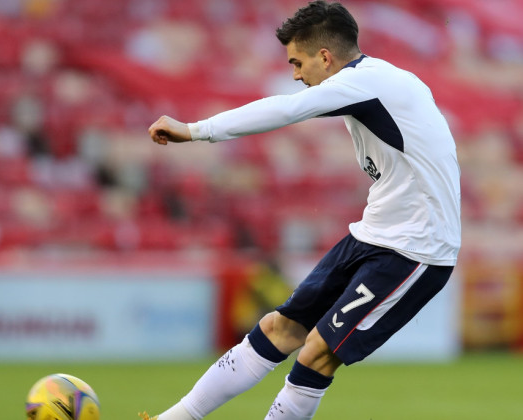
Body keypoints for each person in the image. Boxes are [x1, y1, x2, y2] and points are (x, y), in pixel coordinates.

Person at [141, 1, 461, 419]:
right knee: (279, 328)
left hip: (416, 249)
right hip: (373, 234)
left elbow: (286, 109)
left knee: (316, 354)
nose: (295, 74)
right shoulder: (379, 83)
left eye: (297, 62)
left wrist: (196, 130)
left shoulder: (368, 83)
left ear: (325, 57)